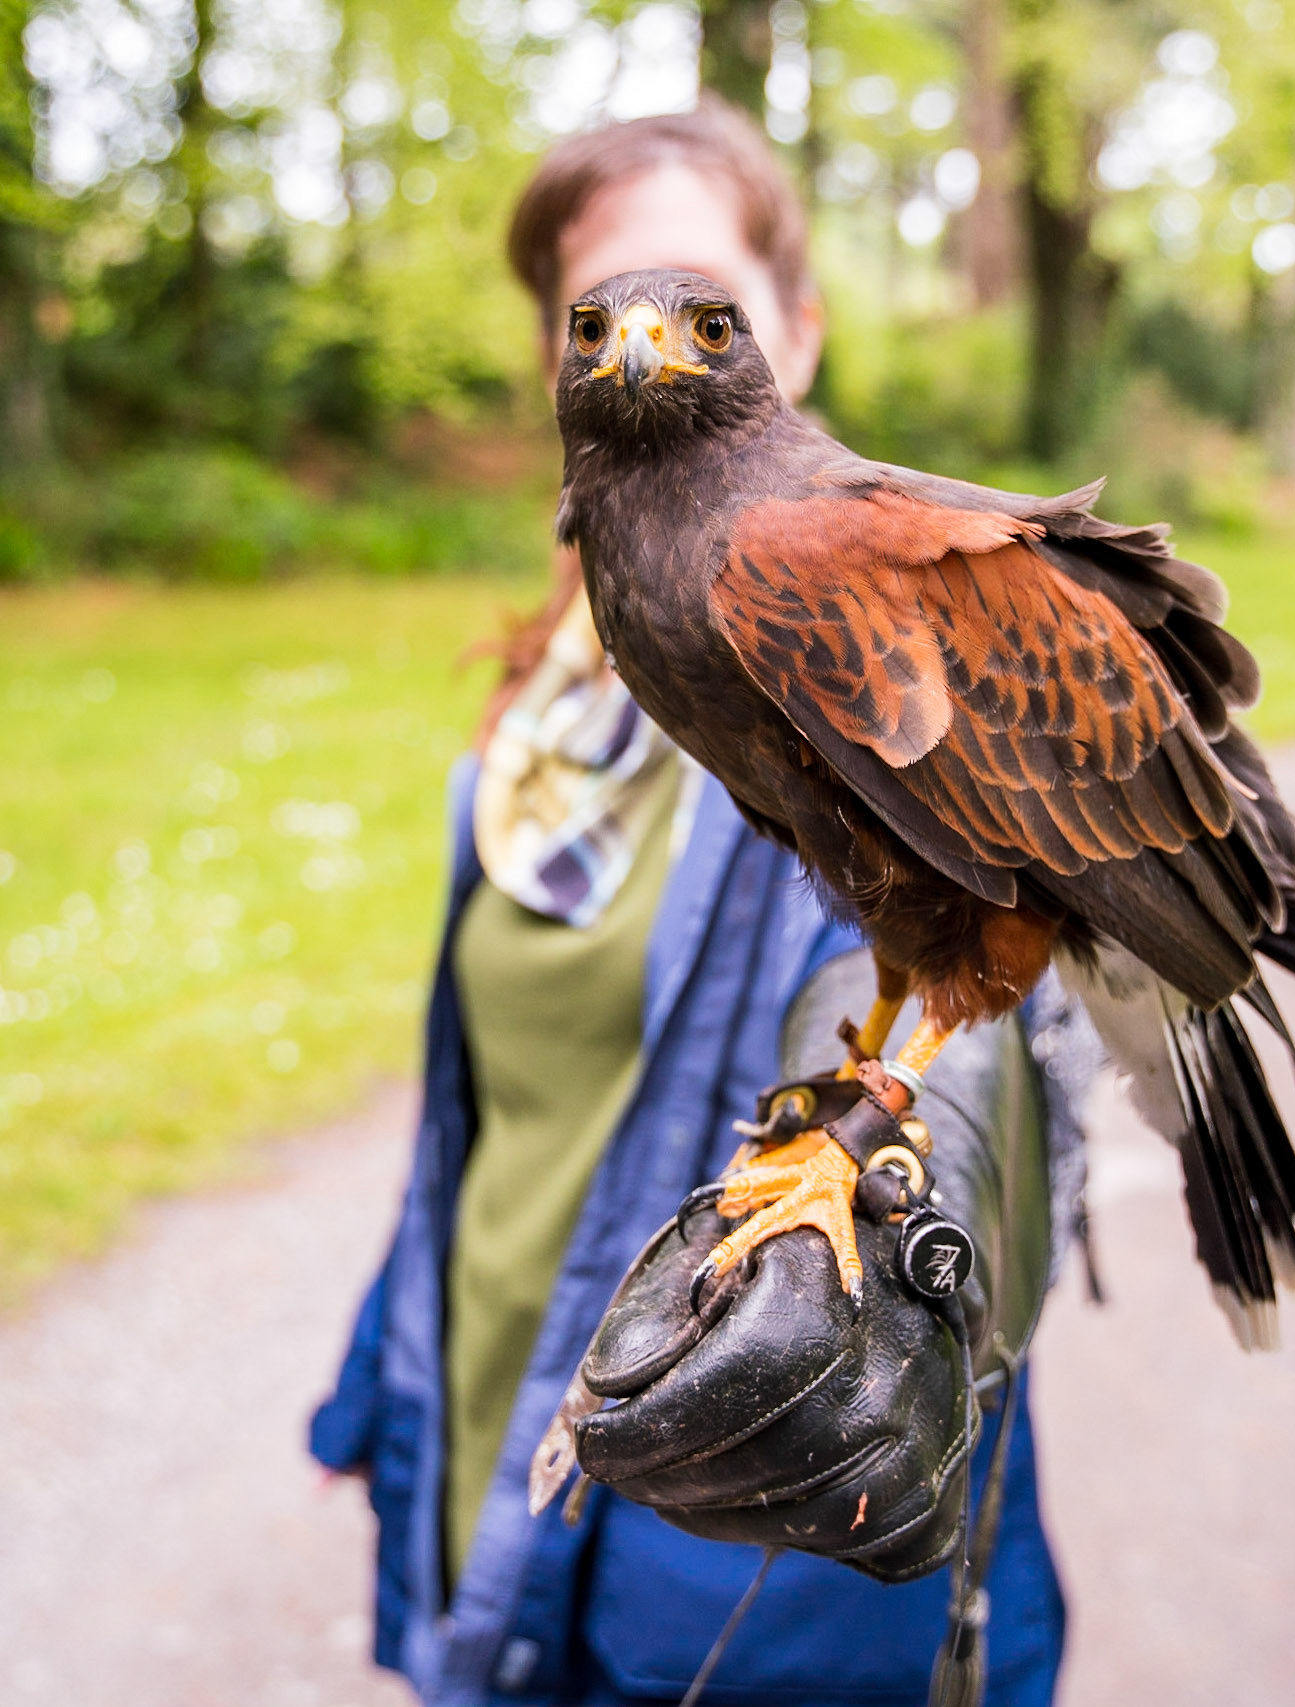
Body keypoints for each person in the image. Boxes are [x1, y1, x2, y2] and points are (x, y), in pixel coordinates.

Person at [310, 99, 1091, 1707]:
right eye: (593, 314)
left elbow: (1029, 1001)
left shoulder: (878, 605)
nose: (644, 338)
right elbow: (491, 1117)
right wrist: (373, 1389)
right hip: (499, 1472)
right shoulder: (548, 713)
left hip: (764, 1571)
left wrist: (897, 1154)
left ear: (795, 329)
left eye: (702, 307)